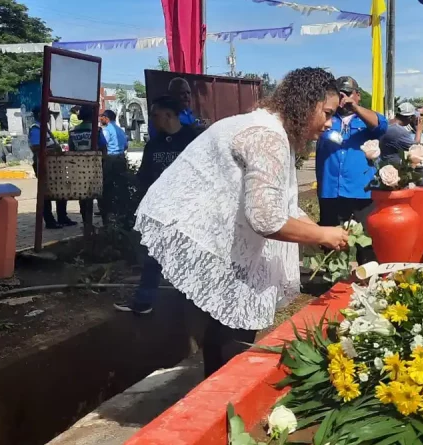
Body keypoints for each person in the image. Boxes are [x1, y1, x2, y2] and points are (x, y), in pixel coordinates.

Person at [131, 67, 347, 377]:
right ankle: (218, 408)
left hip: (210, 238)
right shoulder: (267, 136)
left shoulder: (264, 125)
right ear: (306, 103)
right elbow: (266, 218)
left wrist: (313, 228)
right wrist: (321, 234)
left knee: (222, 332)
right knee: (229, 339)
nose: (329, 124)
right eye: (326, 113)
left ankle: (216, 398)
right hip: (208, 240)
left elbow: (278, 204)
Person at [114, 96, 203, 314]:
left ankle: (201, 302)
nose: (152, 120)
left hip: (191, 209)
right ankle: (144, 301)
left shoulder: (194, 140)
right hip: (162, 210)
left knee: (195, 254)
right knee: (154, 254)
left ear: (169, 115)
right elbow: (144, 177)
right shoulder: (154, 145)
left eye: (155, 115)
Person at [315, 75, 387, 264]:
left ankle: (369, 281)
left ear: (357, 95)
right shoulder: (327, 119)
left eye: (348, 93)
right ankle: (334, 284)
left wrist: (354, 108)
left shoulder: (366, 120)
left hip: (361, 193)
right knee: (332, 242)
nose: (343, 98)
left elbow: (382, 125)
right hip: (331, 192)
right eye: (340, 94)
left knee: (367, 242)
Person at [29, 106, 76, 229]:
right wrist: (52, 150)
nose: (50, 116)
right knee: (46, 193)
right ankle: (50, 221)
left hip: (54, 165)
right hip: (43, 165)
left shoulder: (44, 128)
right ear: (40, 114)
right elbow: (35, 147)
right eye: (48, 113)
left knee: (60, 190)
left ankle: (62, 217)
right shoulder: (36, 129)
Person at [68, 105, 108, 223]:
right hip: (95, 167)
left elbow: (71, 150)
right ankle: (106, 222)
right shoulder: (97, 130)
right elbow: (103, 149)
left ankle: (86, 223)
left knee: (83, 195)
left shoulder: (73, 131)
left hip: (79, 168)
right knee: (100, 194)